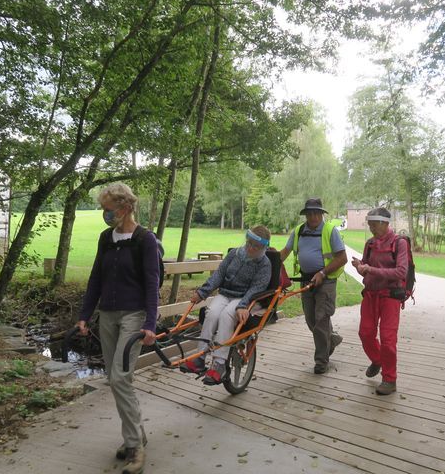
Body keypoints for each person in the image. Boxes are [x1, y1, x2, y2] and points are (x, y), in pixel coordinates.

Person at [77, 182, 159, 474]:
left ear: (124, 208)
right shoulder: (105, 238)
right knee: (115, 380)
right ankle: (137, 433)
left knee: (120, 377)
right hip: (108, 315)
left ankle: (135, 447)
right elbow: (95, 278)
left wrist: (151, 323)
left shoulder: (144, 240)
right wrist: (85, 315)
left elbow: (152, 283)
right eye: (104, 209)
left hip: (134, 316)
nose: (105, 214)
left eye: (108, 209)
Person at [181, 226, 272, 385]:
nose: (250, 248)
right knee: (212, 313)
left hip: (244, 297)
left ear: (263, 248)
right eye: (249, 243)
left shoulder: (264, 264)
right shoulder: (234, 254)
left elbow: (257, 288)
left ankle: (219, 363)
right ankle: (199, 358)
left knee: (227, 315)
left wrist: (243, 305)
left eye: (256, 246)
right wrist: (203, 292)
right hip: (225, 293)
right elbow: (219, 275)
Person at [280, 198, 347, 374]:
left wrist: (323, 273)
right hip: (306, 280)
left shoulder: (330, 230)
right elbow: (285, 252)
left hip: (326, 281)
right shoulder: (299, 231)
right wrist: (269, 263)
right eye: (310, 213)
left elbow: (342, 258)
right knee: (311, 320)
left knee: (321, 319)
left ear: (321, 214)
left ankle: (321, 361)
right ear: (306, 215)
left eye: (316, 213)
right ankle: (330, 340)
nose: (313, 216)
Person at [351, 207, 408, 395]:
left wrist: (371, 270)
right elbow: (366, 268)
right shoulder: (370, 243)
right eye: (370, 225)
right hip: (370, 294)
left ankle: (390, 380)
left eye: (374, 225)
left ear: (385, 223)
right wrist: (360, 266)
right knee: (365, 333)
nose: (371, 228)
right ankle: (377, 360)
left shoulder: (399, 243)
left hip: (390, 296)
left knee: (388, 339)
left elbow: (401, 271)